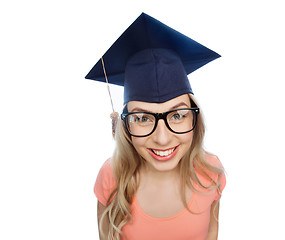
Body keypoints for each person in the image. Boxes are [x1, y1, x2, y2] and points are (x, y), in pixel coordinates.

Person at [85, 13, 226, 240]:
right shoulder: (112, 177)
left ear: (195, 119)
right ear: (124, 125)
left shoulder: (210, 172)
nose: (162, 138)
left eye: (178, 115)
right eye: (142, 119)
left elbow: (211, 233)